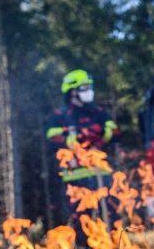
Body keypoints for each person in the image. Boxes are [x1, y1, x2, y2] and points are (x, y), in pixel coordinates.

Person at [45, 69, 119, 239]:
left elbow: (114, 131)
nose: (89, 92)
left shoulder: (98, 112)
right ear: (72, 92)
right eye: (84, 88)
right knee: (81, 221)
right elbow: (51, 136)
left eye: (89, 87)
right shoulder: (60, 116)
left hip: (102, 176)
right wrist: (75, 135)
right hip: (75, 180)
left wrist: (100, 135)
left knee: (110, 217)